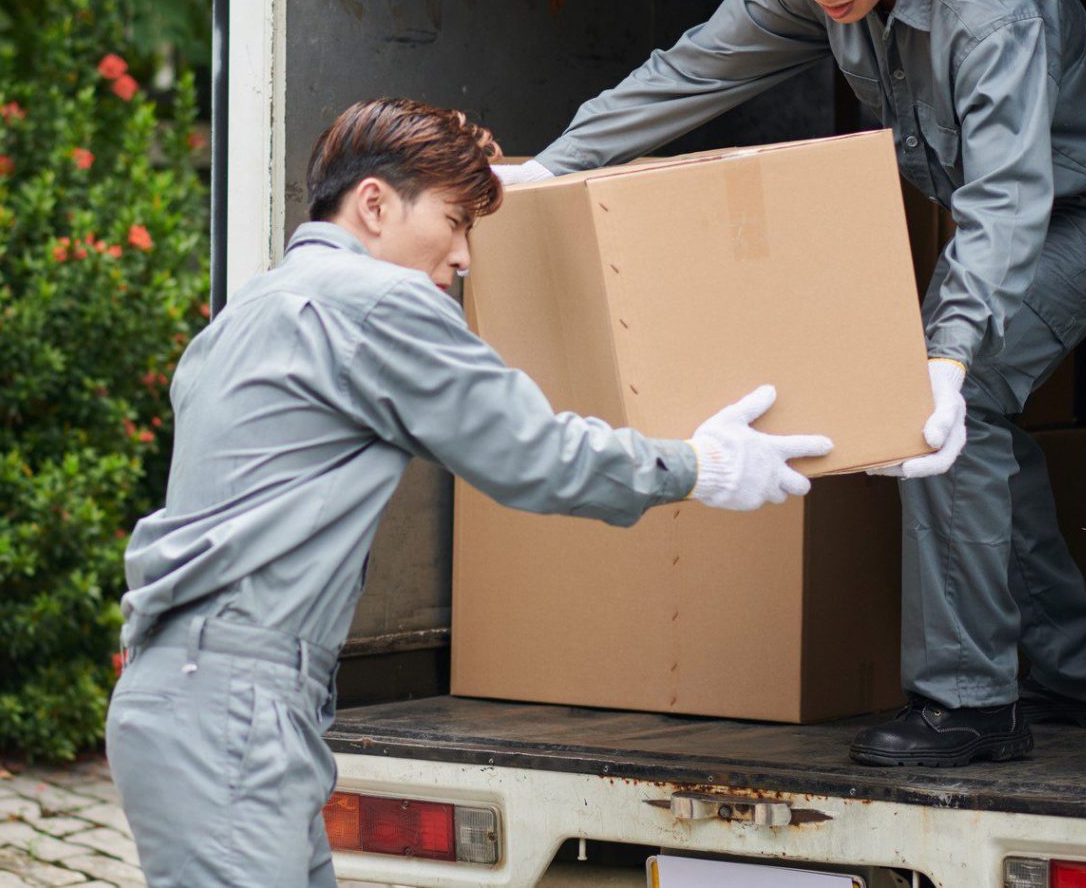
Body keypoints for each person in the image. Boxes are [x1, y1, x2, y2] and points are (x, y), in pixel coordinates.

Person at [497, 0, 1086, 768]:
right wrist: (553, 167)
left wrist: (945, 355)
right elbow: (695, 72)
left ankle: (970, 709)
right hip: (999, 213)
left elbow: (1007, 201)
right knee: (969, 430)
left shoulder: (989, 6)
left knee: (953, 406)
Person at [108, 98, 835, 887]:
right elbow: (534, 453)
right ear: (376, 203)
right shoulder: (379, 302)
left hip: (189, 696)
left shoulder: (254, 306)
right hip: (237, 706)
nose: (463, 258)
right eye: (455, 222)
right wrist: (700, 465)